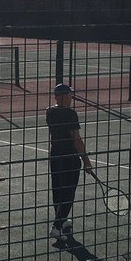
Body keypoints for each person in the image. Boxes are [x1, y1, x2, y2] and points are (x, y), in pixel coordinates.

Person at [46, 83, 92, 248]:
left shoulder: (49, 111)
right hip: (70, 158)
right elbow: (77, 140)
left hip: (55, 156)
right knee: (68, 193)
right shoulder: (70, 114)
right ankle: (57, 227)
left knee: (57, 191)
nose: (71, 97)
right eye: (69, 95)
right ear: (63, 96)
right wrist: (86, 161)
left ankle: (62, 221)